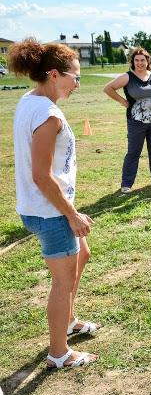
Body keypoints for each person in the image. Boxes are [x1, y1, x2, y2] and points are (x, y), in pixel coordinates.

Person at [9, 38, 99, 369]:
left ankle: (69, 320)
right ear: (54, 74)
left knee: (82, 254)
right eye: (75, 77)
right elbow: (41, 176)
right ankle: (59, 353)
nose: (78, 84)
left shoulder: (30, 101)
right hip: (49, 212)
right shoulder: (48, 115)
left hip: (45, 207)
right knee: (63, 281)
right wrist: (70, 214)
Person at [103, 47, 151, 193]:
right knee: (134, 152)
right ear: (132, 62)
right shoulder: (128, 76)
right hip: (136, 122)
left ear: (148, 62)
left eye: (143, 60)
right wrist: (123, 101)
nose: (140, 63)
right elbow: (108, 88)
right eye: (137, 60)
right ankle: (126, 184)